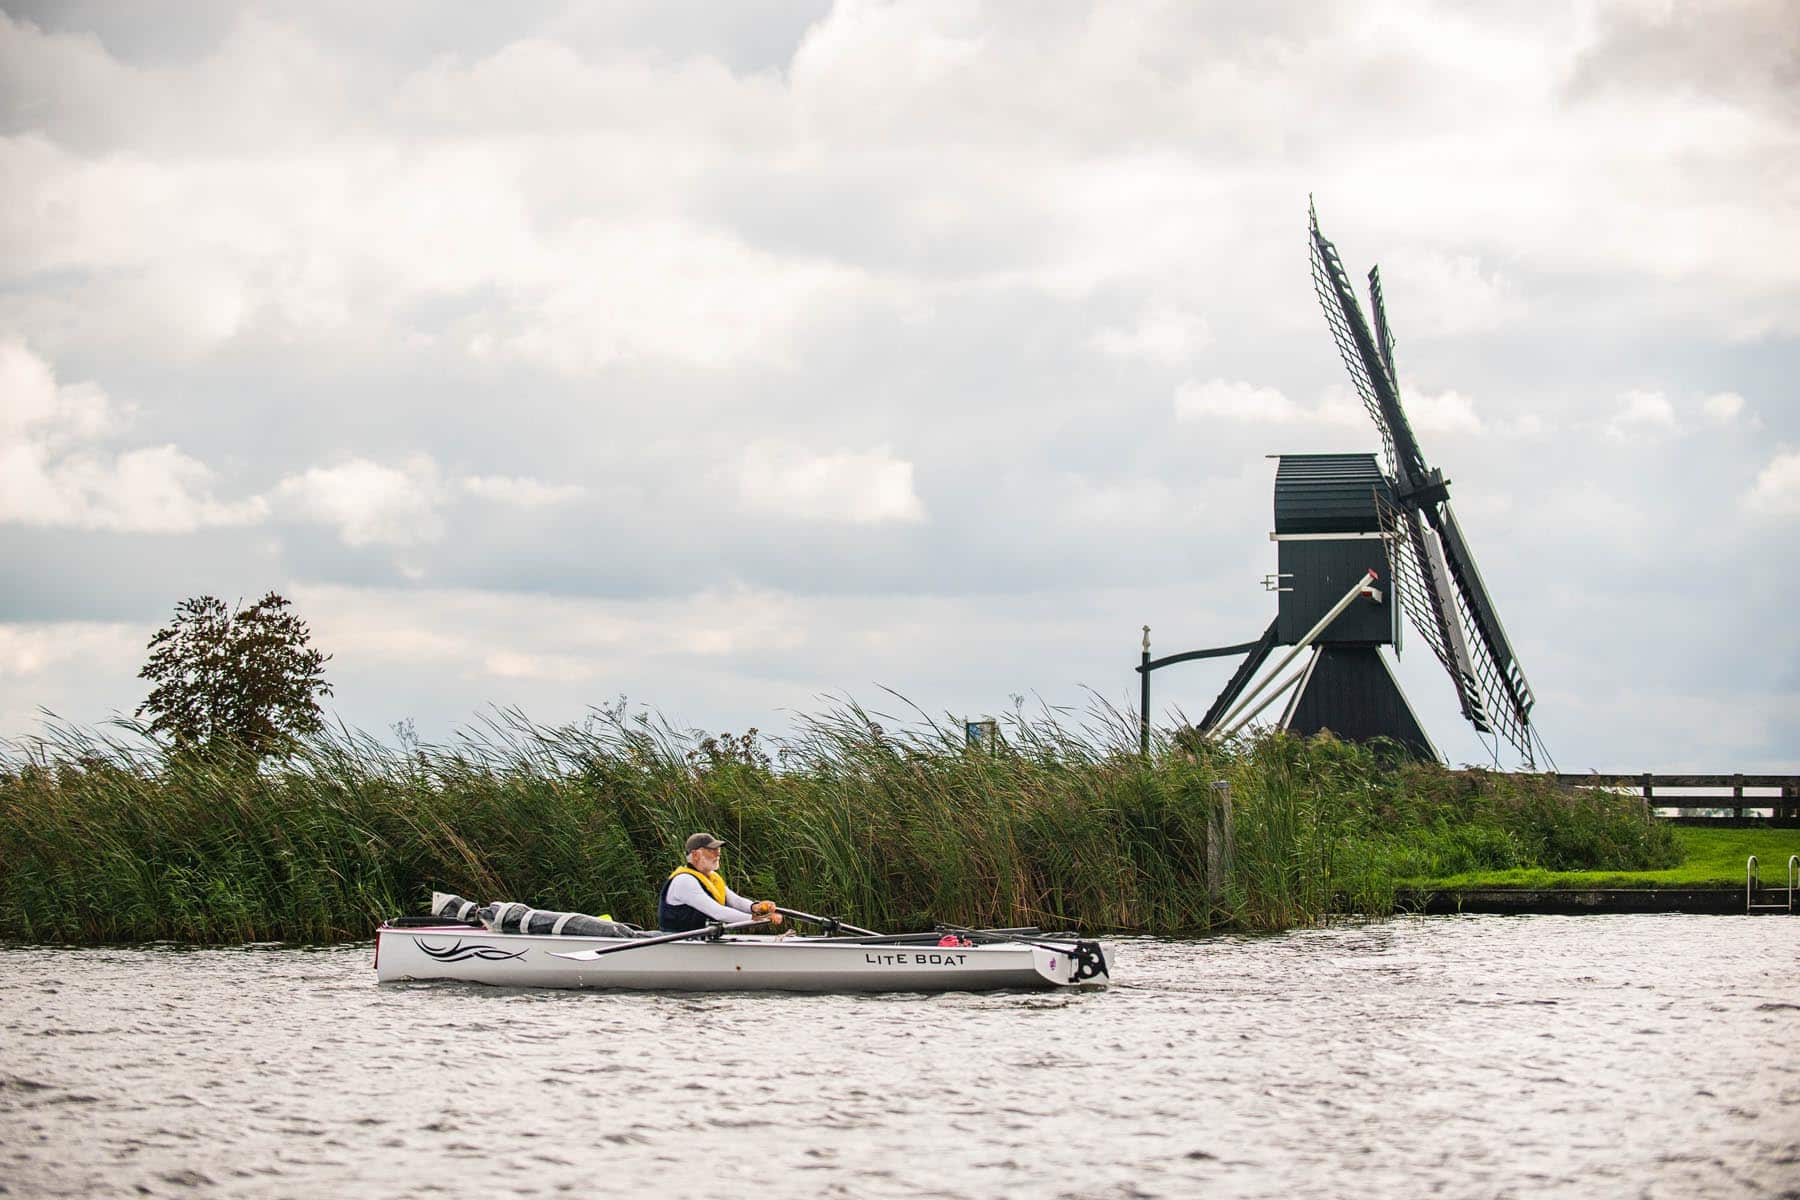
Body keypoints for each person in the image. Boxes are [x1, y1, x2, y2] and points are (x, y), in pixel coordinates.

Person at [658, 832, 783, 933]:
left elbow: (735, 901)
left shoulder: (711, 877)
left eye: (718, 850)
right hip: (678, 942)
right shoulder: (684, 881)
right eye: (711, 850)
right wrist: (755, 919)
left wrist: (755, 907)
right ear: (695, 855)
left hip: (700, 940)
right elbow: (717, 912)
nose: (718, 854)